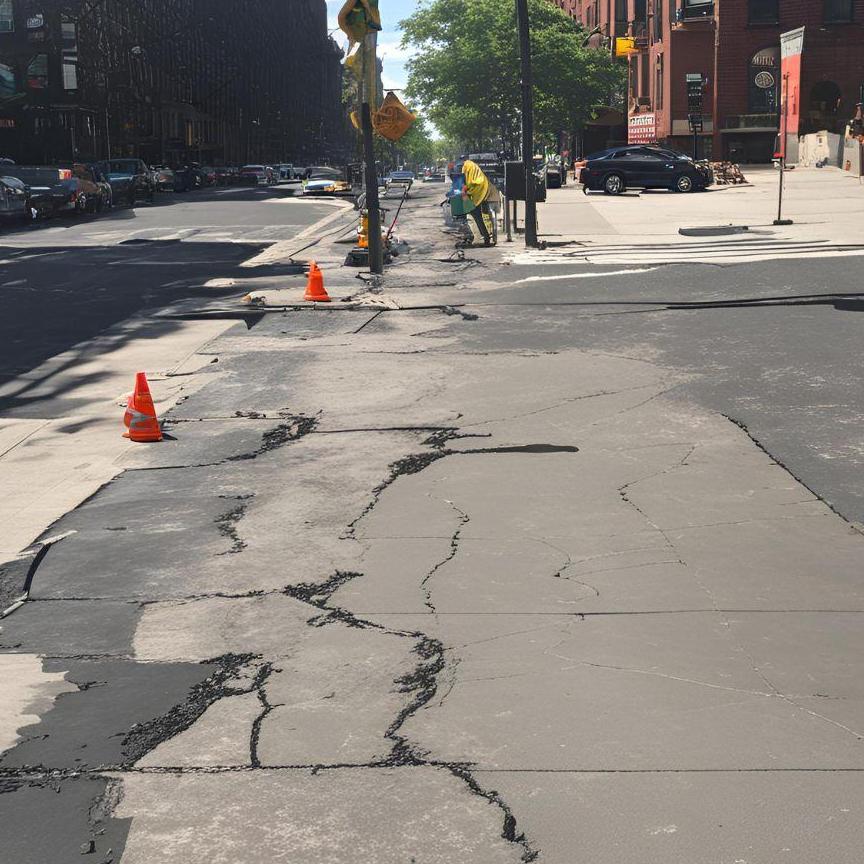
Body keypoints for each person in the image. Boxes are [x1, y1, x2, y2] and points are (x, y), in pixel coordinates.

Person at [460, 158, 494, 246]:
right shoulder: (476, 172)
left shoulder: (468, 169)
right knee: (477, 216)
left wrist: (464, 190)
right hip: (479, 196)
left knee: (475, 215)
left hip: (475, 197)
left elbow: (467, 185)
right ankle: (485, 237)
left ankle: (483, 237)